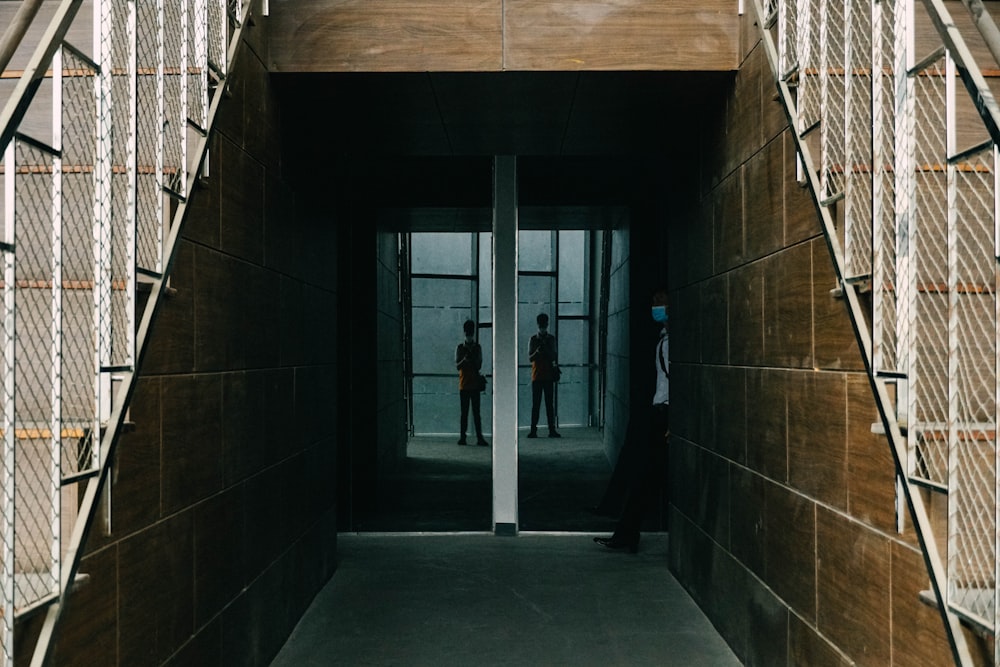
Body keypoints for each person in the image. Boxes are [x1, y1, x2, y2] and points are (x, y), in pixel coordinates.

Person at [594, 290, 670, 553]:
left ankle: (626, 535)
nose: (655, 306)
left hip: (663, 416)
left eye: (659, 302)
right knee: (646, 478)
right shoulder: (665, 339)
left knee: (645, 477)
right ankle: (626, 534)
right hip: (661, 415)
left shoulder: (668, 343)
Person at [527, 313, 560, 438]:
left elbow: (553, 356)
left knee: (548, 405)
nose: (543, 328)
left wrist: (544, 349)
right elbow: (530, 357)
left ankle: (549, 430)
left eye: (544, 325)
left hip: (546, 376)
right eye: (542, 325)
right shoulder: (534, 340)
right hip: (538, 376)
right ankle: (535, 430)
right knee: (537, 405)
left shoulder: (550, 339)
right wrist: (538, 351)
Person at [456, 319, 488, 446]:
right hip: (468, 384)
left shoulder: (462, 348)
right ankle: (478, 437)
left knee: (469, 413)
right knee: (473, 413)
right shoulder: (475, 347)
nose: (469, 335)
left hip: (467, 384)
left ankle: (464, 437)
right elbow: (459, 365)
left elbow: (476, 365)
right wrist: (466, 360)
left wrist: (466, 360)